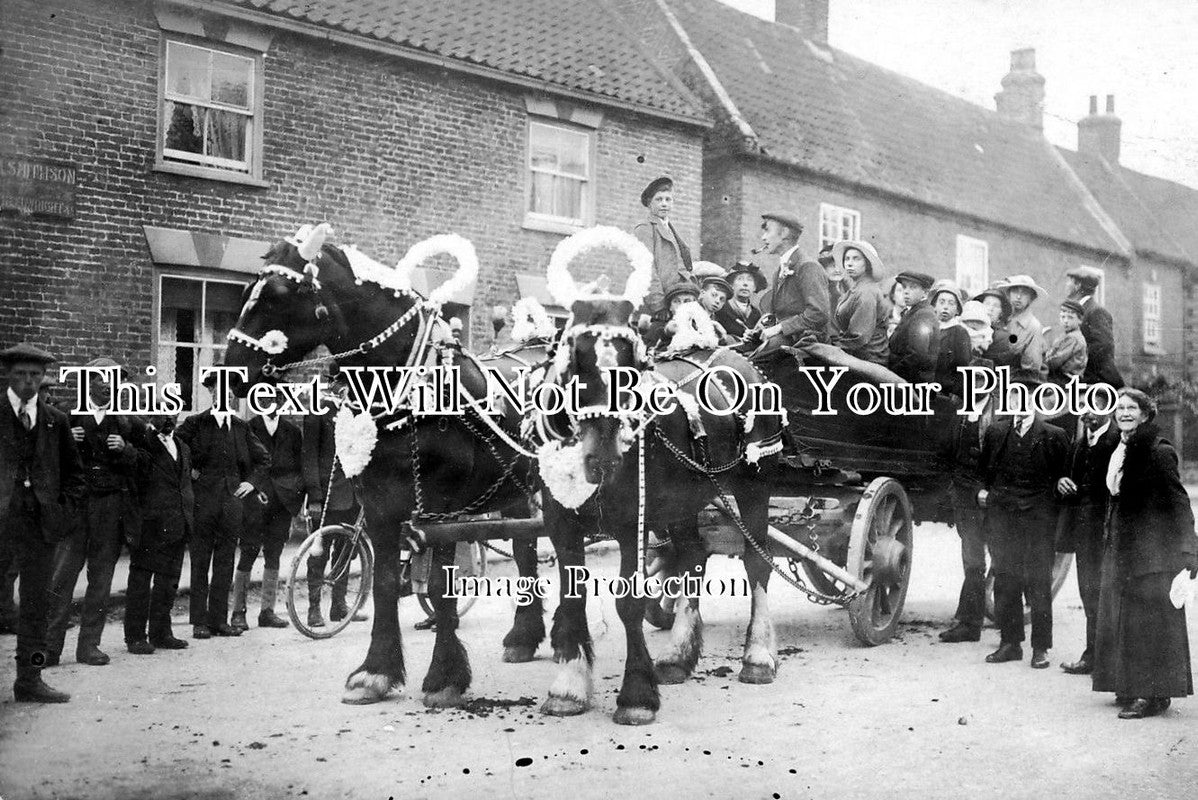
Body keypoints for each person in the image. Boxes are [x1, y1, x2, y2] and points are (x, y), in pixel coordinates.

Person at [1093, 388, 1198, 719]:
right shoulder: (1118, 448)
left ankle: (1149, 695)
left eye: (1131, 408)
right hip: (1124, 542)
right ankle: (1138, 688)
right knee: (1128, 617)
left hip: (1154, 549)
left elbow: (1179, 501)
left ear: (1146, 414)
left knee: (1151, 620)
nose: (1124, 412)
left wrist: (1189, 550)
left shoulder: (1158, 451)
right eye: (1119, 408)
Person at [45, 357, 143, 667]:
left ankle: (89, 646)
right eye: (102, 379)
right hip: (76, 507)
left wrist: (126, 450)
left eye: (114, 381)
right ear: (89, 382)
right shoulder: (66, 417)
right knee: (63, 578)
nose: (108, 386)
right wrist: (64, 445)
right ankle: (50, 647)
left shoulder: (127, 422)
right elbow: (43, 462)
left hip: (110, 506)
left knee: (101, 580)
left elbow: (145, 461)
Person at [0, 343, 84, 702]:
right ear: (8, 374)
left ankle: (30, 679)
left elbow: (75, 476)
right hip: (2, 523)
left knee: (35, 605)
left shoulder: (55, 420)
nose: (29, 382)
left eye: (36, 375)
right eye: (21, 374)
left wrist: (61, 512)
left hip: (40, 527)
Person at [978, 382, 1069, 668]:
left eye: (1024, 396)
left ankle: (1040, 648)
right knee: (1005, 580)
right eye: (1012, 395)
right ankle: (1010, 643)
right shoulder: (996, 432)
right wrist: (985, 493)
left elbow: (1063, 479)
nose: (1018, 401)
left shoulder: (1054, 436)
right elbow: (984, 472)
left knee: (1039, 583)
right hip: (1003, 519)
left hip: (1038, 521)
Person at [175, 374, 270, 639]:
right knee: (200, 560)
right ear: (210, 392)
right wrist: (189, 472)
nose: (225, 395)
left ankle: (219, 620)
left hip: (232, 503)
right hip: (202, 501)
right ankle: (199, 621)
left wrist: (251, 484)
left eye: (229, 390)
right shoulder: (194, 424)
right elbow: (174, 449)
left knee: (226, 559)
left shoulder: (241, 427)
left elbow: (263, 460)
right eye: (219, 390)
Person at [1054, 409, 1119, 675]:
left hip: (1109, 533)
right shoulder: (1081, 442)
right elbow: (1068, 477)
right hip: (1085, 534)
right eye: (1083, 408)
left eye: (1094, 407)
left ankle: (1109, 662)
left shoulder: (1117, 441)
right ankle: (1093, 656)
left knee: (1109, 596)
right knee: (1090, 595)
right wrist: (1063, 482)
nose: (1086, 415)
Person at [125, 413, 194, 654]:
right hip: (149, 524)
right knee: (141, 581)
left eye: (172, 411)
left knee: (168, 581)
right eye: (161, 410)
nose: (167, 417)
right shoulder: (143, 443)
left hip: (178, 523)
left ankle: (161, 632)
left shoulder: (182, 446)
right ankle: (135, 636)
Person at [230, 409, 304, 631]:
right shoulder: (248, 427)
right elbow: (243, 465)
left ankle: (267, 612)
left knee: (274, 554)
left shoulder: (292, 430)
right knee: (249, 552)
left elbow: (300, 467)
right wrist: (254, 489)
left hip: (282, 504)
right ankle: (238, 612)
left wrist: (293, 495)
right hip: (255, 502)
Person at [302, 391, 365, 628]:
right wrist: (314, 497)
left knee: (346, 552)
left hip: (352, 496)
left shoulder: (358, 411)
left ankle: (339, 605)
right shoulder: (319, 411)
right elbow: (309, 457)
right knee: (319, 553)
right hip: (327, 496)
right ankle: (313, 608)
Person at [754, 212, 830, 358]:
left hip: (807, 341)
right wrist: (757, 330)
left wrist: (779, 328)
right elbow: (777, 314)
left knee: (754, 362)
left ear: (784, 233)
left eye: (767, 230)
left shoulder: (807, 266)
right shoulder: (779, 271)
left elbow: (819, 314)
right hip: (786, 338)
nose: (763, 237)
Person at [634, 177, 694, 324]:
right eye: (659, 199)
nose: (664, 204)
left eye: (668, 199)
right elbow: (646, 269)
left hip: (675, 302)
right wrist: (659, 305)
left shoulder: (671, 229)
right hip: (656, 308)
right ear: (649, 203)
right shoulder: (645, 229)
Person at [830, 240, 889, 364]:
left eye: (856, 259)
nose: (850, 264)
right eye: (847, 259)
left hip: (869, 357)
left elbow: (859, 336)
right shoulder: (855, 289)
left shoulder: (867, 291)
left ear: (867, 264)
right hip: (857, 353)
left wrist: (830, 344)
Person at [1065, 265, 1123, 389]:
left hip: (1099, 382)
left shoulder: (1096, 311)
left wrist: (1075, 360)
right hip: (1084, 380)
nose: (1066, 285)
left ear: (1078, 285)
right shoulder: (1079, 311)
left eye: (1069, 282)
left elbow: (1103, 345)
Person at [887, 271, 938, 384]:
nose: (906, 291)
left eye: (912, 287)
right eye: (904, 287)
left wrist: (889, 373)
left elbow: (916, 356)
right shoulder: (913, 312)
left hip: (913, 384)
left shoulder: (923, 314)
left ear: (925, 293)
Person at [929, 281, 971, 396]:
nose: (945, 307)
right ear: (934, 306)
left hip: (946, 393)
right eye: (941, 302)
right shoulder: (928, 329)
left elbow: (962, 367)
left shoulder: (960, 332)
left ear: (957, 310)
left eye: (951, 303)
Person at [1002, 275, 1048, 379]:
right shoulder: (1002, 318)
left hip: (1018, 379)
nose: (1018, 297)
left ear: (1031, 298)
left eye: (1024, 293)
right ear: (1008, 294)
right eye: (1015, 292)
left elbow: (1031, 367)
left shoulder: (1033, 326)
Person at [714, 261, 765, 341]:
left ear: (754, 287)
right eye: (740, 279)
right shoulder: (721, 308)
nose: (745, 284)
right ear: (731, 285)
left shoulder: (756, 313)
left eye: (750, 280)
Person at [1046, 299, 1088, 386]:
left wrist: (1042, 360)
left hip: (1066, 379)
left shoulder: (1073, 338)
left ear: (1080, 320)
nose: (1065, 321)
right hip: (1063, 378)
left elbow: (1055, 361)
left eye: (1070, 317)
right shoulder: (1067, 336)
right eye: (1063, 317)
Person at [973, 287, 1018, 369]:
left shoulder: (1003, 337)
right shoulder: (968, 329)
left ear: (1001, 312)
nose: (990, 308)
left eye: (996, 306)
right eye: (987, 304)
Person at [818, 243, 846, 310]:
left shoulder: (847, 289)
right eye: (832, 266)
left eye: (840, 266)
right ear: (823, 268)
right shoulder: (820, 292)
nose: (837, 270)